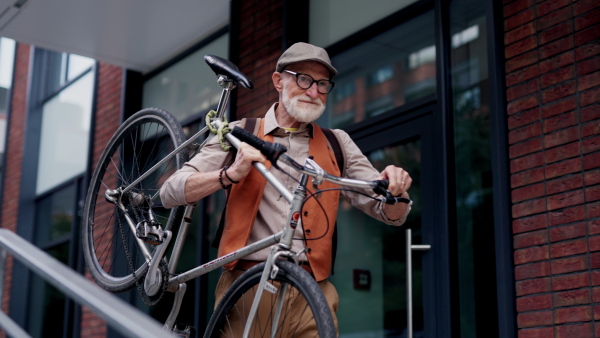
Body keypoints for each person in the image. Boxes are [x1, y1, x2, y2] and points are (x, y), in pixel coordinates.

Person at [160, 42, 412, 335]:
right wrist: (229, 174)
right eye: (304, 79)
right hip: (247, 287)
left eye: (322, 84)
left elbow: (390, 211)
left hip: (313, 293)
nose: (314, 91)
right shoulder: (239, 133)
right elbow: (170, 191)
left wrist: (397, 188)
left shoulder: (337, 142)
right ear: (278, 81)